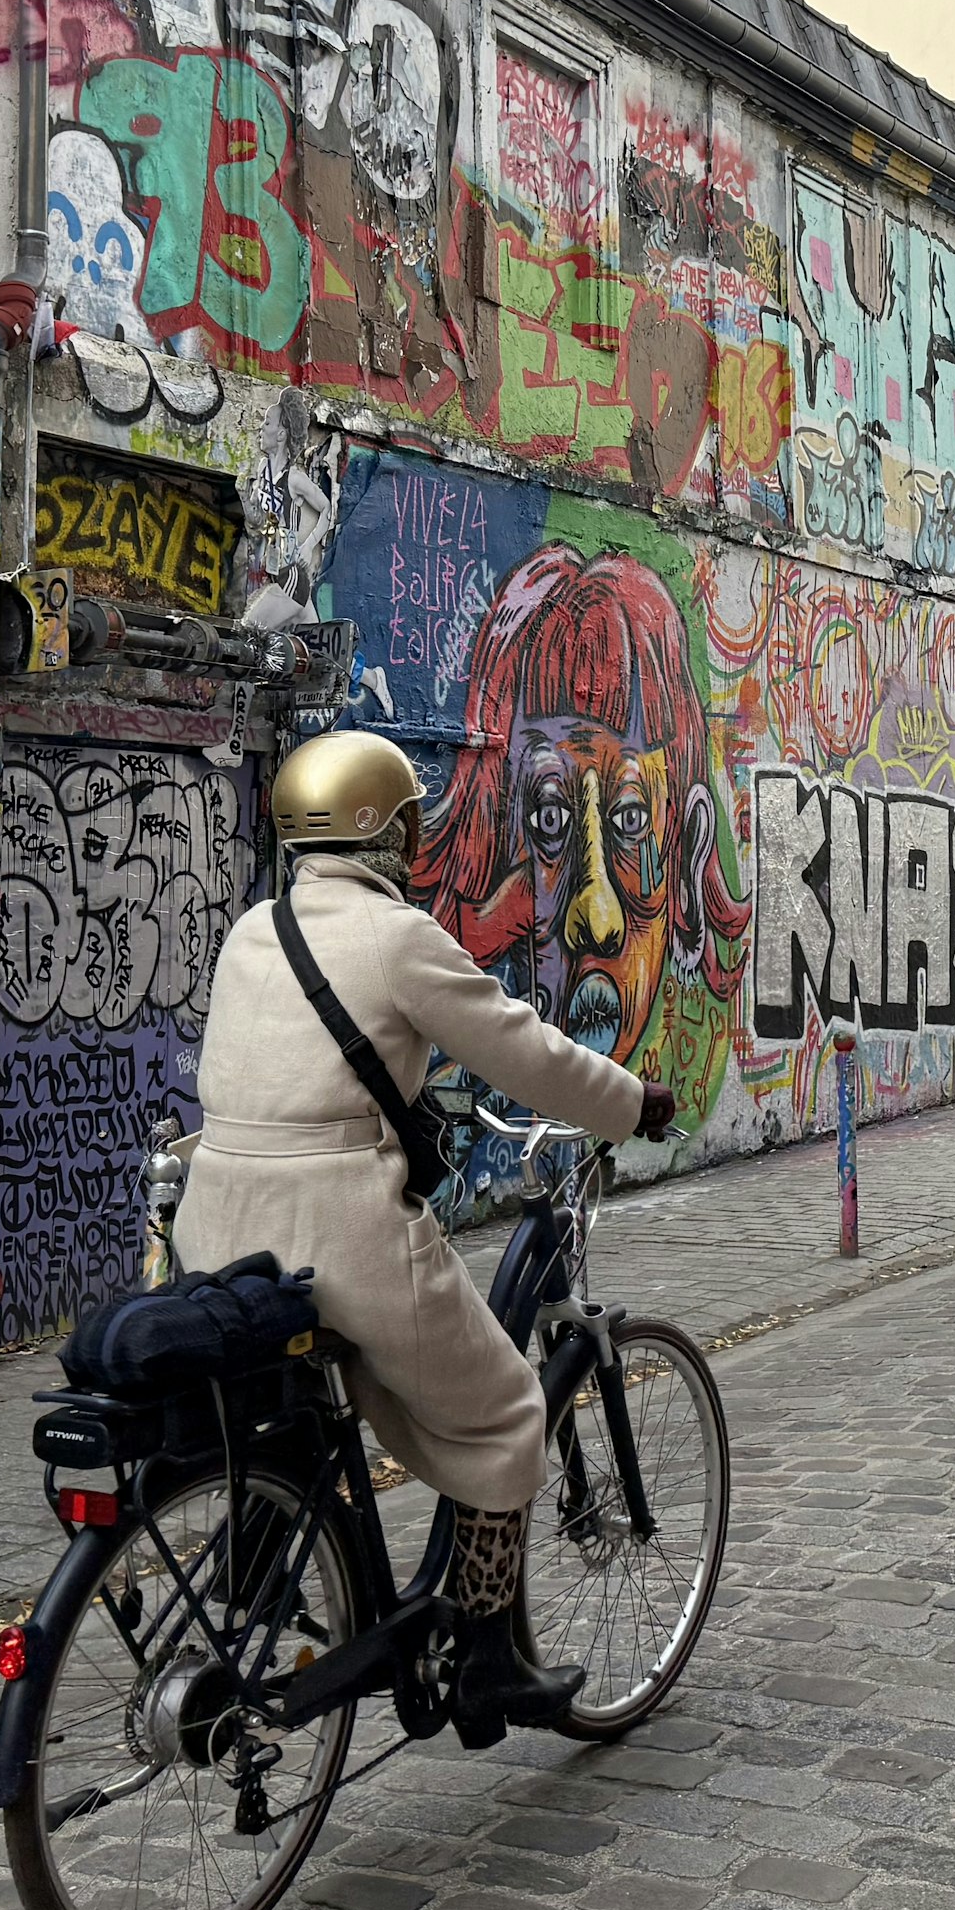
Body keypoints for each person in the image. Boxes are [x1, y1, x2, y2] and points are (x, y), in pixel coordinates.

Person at [175, 730, 679, 1741]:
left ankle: (271, 1539)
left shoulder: (251, 932)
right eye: (407, 818)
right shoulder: (397, 937)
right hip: (337, 1237)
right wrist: (631, 1103)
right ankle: (489, 1664)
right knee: (500, 1418)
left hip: (215, 1235)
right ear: (381, 828)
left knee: (334, 1394)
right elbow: (525, 1051)